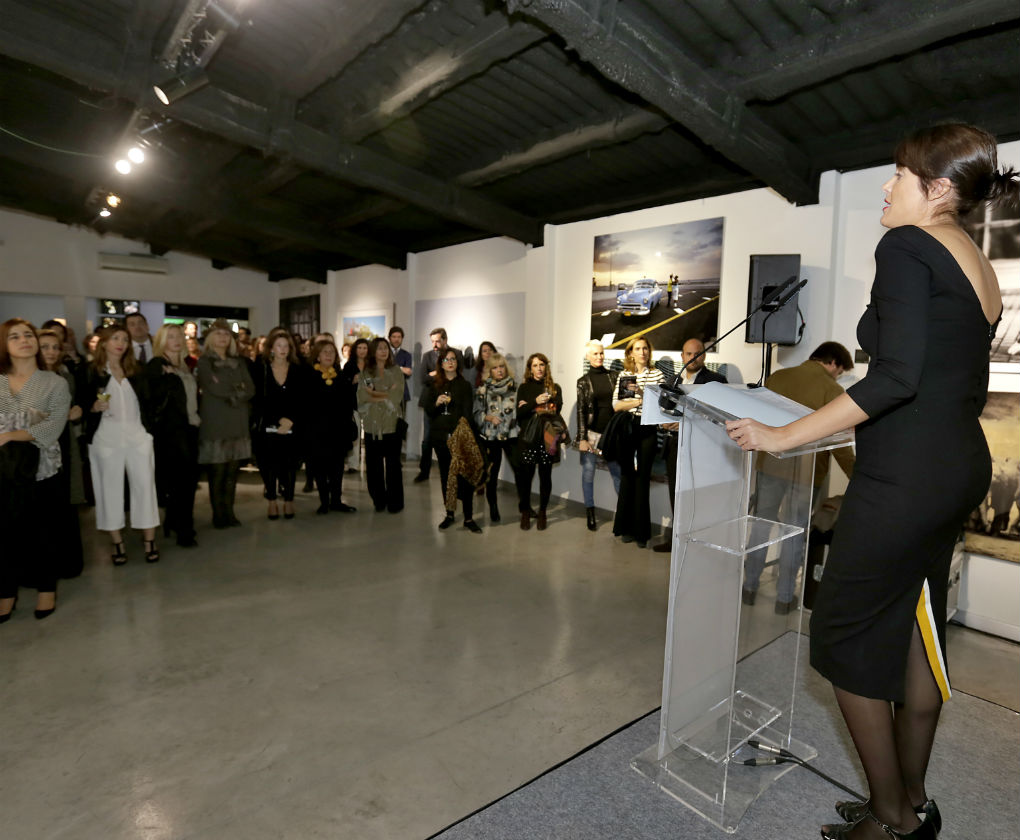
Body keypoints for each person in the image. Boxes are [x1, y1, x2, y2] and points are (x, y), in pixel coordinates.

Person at [726, 123, 1016, 840]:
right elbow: (940, 379)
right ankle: (911, 799)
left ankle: (890, 822)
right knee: (918, 631)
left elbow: (895, 378)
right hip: (954, 466)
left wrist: (781, 436)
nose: (886, 187)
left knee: (843, 637)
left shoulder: (907, 245)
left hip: (906, 475)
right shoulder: (974, 262)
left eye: (899, 176)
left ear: (938, 189)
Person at [741, 342, 857, 610]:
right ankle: (784, 599)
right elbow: (839, 444)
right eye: (840, 371)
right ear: (833, 363)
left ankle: (749, 588)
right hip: (807, 473)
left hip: (770, 466)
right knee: (794, 532)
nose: (838, 376)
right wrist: (857, 475)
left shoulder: (777, 378)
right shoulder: (832, 390)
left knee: (760, 525)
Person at [0, 319, 71, 622]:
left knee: (43, 529)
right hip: (3, 468)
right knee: (4, 531)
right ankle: (6, 592)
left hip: (41, 465)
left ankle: (46, 589)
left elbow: (53, 426)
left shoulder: (54, 382)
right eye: (14, 336)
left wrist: (9, 434)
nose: (24, 340)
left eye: (28, 335)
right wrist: (26, 422)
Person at [79, 323, 161, 565]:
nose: (121, 343)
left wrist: (148, 431)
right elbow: (79, 402)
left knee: (145, 487)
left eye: (125, 339)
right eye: (115, 338)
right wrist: (92, 407)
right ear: (104, 342)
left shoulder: (136, 370)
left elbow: (149, 402)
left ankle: (150, 540)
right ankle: (117, 543)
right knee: (109, 490)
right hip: (106, 437)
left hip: (137, 435)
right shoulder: (90, 371)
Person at [653, 337, 727, 552]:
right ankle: (676, 542)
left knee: (698, 497)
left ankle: (698, 545)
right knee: (676, 495)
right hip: (673, 447)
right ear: (682, 356)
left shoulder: (716, 381)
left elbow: (719, 417)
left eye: (697, 353)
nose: (693, 358)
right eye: (688, 353)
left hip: (701, 449)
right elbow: (663, 409)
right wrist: (663, 423)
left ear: (704, 355)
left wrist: (685, 424)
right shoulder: (673, 379)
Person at [145, 324, 201, 548]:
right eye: (170, 337)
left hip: (190, 426)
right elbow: (151, 398)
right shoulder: (157, 364)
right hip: (172, 431)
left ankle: (174, 521)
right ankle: (184, 529)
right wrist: (168, 380)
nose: (177, 340)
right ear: (162, 341)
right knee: (182, 482)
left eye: (179, 336)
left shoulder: (185, 365)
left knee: (187, 481)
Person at [196, 319, 254, 529]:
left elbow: (250, 388)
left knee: (232, 471)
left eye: (226, 334)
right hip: (215, 420)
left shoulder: (239, 361)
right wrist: (237, 389)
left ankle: (229, 511)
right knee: (217, 470)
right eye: (219, 334)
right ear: (211, 338)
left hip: (237, 419)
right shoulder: (205, 362)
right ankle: (218, 514)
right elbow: (214, 388)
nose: (223, 338)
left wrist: (234, 391)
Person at [611, 337, 663, 548]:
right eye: (638, 349)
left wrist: (639, 396)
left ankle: (641, 533)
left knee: (642, 479)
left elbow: (660, 405)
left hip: (647, 429)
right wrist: (642, 400)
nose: (642, 352)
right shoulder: (625, 375)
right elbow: (616, 406)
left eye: (645, 348)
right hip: (627, 428)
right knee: (627, 477)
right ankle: (625, 529)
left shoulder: (657, 374)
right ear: (630, 353)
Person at [252, 327, 307, 520]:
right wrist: (278, 420)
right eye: (279, 345)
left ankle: (289, 500)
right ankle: (272, 501)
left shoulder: (298, 369)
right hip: (268, 424)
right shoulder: (261, 369)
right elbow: (258, 400)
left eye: (286, 346)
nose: (283, 349)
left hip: (293, 424)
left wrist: (290, 420)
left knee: (290, 464)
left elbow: (303, 399)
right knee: (269, 464)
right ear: (271, 348)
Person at [424, 348, 479, 531]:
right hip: (440, 437)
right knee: (446, 476)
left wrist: (463, 434)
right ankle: (449, 514)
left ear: (457, 363)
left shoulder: (464, 385)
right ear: (441, 364)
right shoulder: (434, 385)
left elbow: (467, 413)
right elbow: (429, 411)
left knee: (465, 476)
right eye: (446, 360)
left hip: (459, 436)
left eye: (453, 359)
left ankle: (469, 518)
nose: (450, 362)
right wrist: (436, 403)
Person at [305, 339, 356, 514]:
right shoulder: (310, 376)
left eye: (331, 352)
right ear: (317, 356)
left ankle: (336, 500)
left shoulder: (340, 376)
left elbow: (348, 402)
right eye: (325, 352)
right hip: (317, 430)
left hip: (338, 430)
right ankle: (324, 502)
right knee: (319, 467)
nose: (328, 355)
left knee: (337, 467)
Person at [575, 340, 622, 531]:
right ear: (588, 356)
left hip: (612, 435)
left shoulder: (614, 376)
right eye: (595, 353)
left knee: (617, 474)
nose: (599, 357)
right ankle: (590, 512)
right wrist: (582, 438)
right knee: (588, 474)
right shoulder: (583, 382)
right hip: (592, 435)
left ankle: (624, 514)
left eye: (601, 353)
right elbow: (580, 411)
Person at [515, 352, 564, 531]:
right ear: (530, 369)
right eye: (535, 365)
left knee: (545, 476)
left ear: (546, 367)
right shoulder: (524, 388)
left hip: (549, 436)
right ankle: (525, 512)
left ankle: (543, 512)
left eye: (541, 364)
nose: (539, 368)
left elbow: (555, 412)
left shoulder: (555, 388)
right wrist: (536, 402)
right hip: (529, 437)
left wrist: (530, 406)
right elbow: (519, 415)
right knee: (526, 478)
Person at [358, 337, 405, 513]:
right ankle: (379, 500)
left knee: (393, 465)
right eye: (379, 348)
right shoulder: (366, 372)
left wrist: (375, 394)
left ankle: (395, 502)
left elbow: (396, 396)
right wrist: (384, 393)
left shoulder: (396, 371)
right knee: (373, 466)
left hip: (392, 424)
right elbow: (362, 396)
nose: (384, 351)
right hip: (372, 424)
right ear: (373, 351)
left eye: (386, 348)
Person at [415, 327, 465, 482]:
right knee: (427, 438)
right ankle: (424, 471)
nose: (434, 345)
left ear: (445, 340)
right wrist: (440, 373)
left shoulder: (456, 354)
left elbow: (457, 375)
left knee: (452, 436)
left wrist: (434, 373)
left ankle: (454, 471)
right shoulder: (427, 355)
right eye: (432, 341)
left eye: (437, 341)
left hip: (451, 400)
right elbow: (423, 378)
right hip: (431, 401)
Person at [474, 352, 518, 522]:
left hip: (512, 435)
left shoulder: (515, 387)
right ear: (489, 371)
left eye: (501, 367)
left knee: (520, 470)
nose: (499, 370)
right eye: (495, 368)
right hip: (492, 437)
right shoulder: (483, 390)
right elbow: (476, 413)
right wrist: (488, 417)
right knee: (492, 475)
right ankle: (493, 507)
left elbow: (520, 410)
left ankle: (525, 506)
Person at [342, 337, 370, 473]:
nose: (362, 351)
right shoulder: (349, 365)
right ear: (355, 350)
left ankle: (371, 462)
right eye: (359, 348)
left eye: (365, 348)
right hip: (353, 403)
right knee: (355, 434)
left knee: (371, 435)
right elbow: (343, 385)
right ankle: (353, 464)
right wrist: (352, 381)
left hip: (370, 403)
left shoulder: (372, 365)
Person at [388, 326, 413, 409]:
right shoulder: (384, 353)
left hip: (401, 392)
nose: (396, 339)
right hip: (385, 392)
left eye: (399, 337)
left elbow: (408, 372)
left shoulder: (406, 355)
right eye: (394, 337)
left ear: (402, 339)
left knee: (401, 417)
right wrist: (402, 369)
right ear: (389, 338)